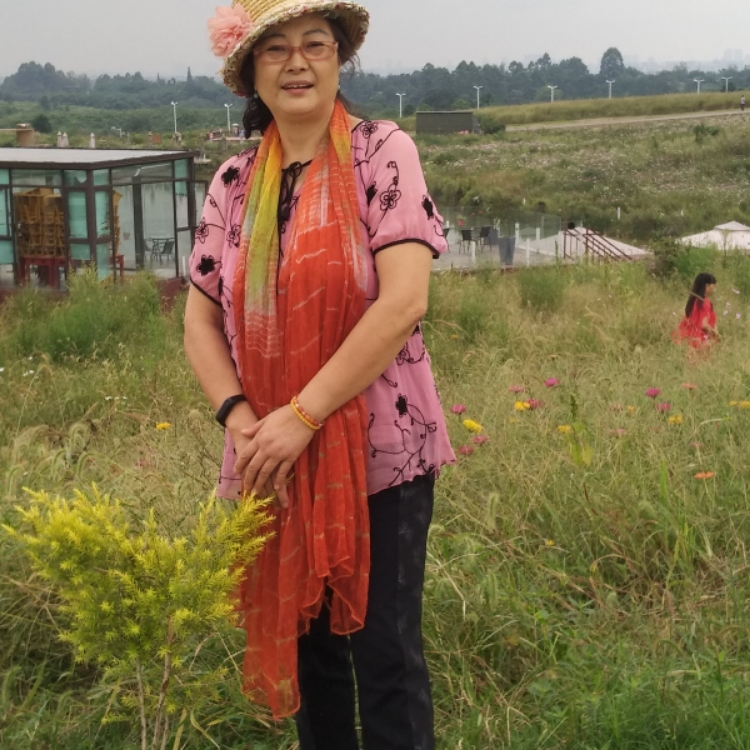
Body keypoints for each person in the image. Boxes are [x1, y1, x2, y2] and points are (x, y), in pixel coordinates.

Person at [183, 1, 455, 748]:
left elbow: (404, 300)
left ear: (340, 59)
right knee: (310, 657)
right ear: (251, 73)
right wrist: (243, 421)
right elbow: (200, 322)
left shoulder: (380, 152)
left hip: (379, 451)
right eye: (275, 49)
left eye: (316, 44)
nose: (297, 62)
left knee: (386, 655)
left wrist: (303, 416)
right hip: (271, 456)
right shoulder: (233, 183)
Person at [674, 272, 719, 348]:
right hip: (701, 340)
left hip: (688, 337)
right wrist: (716, 334)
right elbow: (704, 325)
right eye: (713, 285)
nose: (714, 288)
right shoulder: (705, 302)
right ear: (707, 286)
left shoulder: (693, 301)